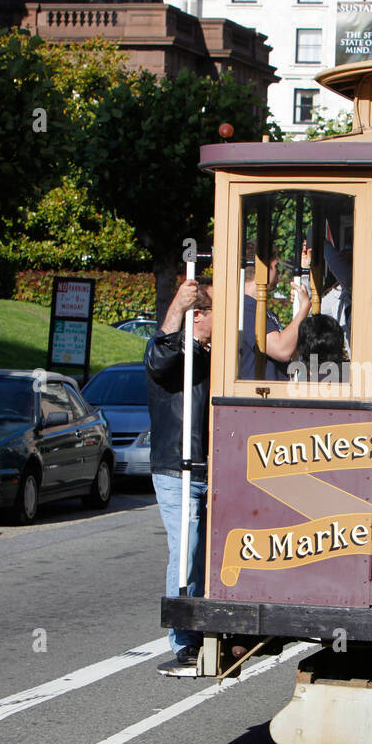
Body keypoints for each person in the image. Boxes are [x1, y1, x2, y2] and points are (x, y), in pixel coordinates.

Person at [146, 277, 213, 669]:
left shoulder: (207, 353)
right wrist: (177, 307)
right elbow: (158, 356)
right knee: (185, 551)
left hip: (207, 467)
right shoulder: (174, 353)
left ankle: (202, 625)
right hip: (177, 468)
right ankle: (182, 638)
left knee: (204, 554)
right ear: (199, 316)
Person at [239, 246, 310, 380]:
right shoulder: (245, 308)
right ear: (263, 268)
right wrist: (305, 307)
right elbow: (282, 349)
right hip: (258, 395)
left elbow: (291, 345)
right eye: (275, 266)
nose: (278, 271)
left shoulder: (259, 308)